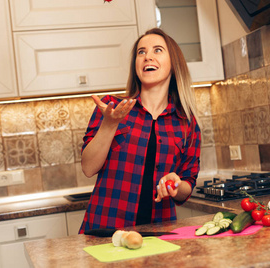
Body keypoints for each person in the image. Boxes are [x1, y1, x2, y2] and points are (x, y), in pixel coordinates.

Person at [79, 28, 201, 233]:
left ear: (174, 63)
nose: (147, 57)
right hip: (105, 231)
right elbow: (88, 168)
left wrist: (176, 185)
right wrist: (109, 124)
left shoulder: (186, 122)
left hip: (160, 233)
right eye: (141, 52)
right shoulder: (112, 107)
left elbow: (188, 182)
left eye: (158, 50)